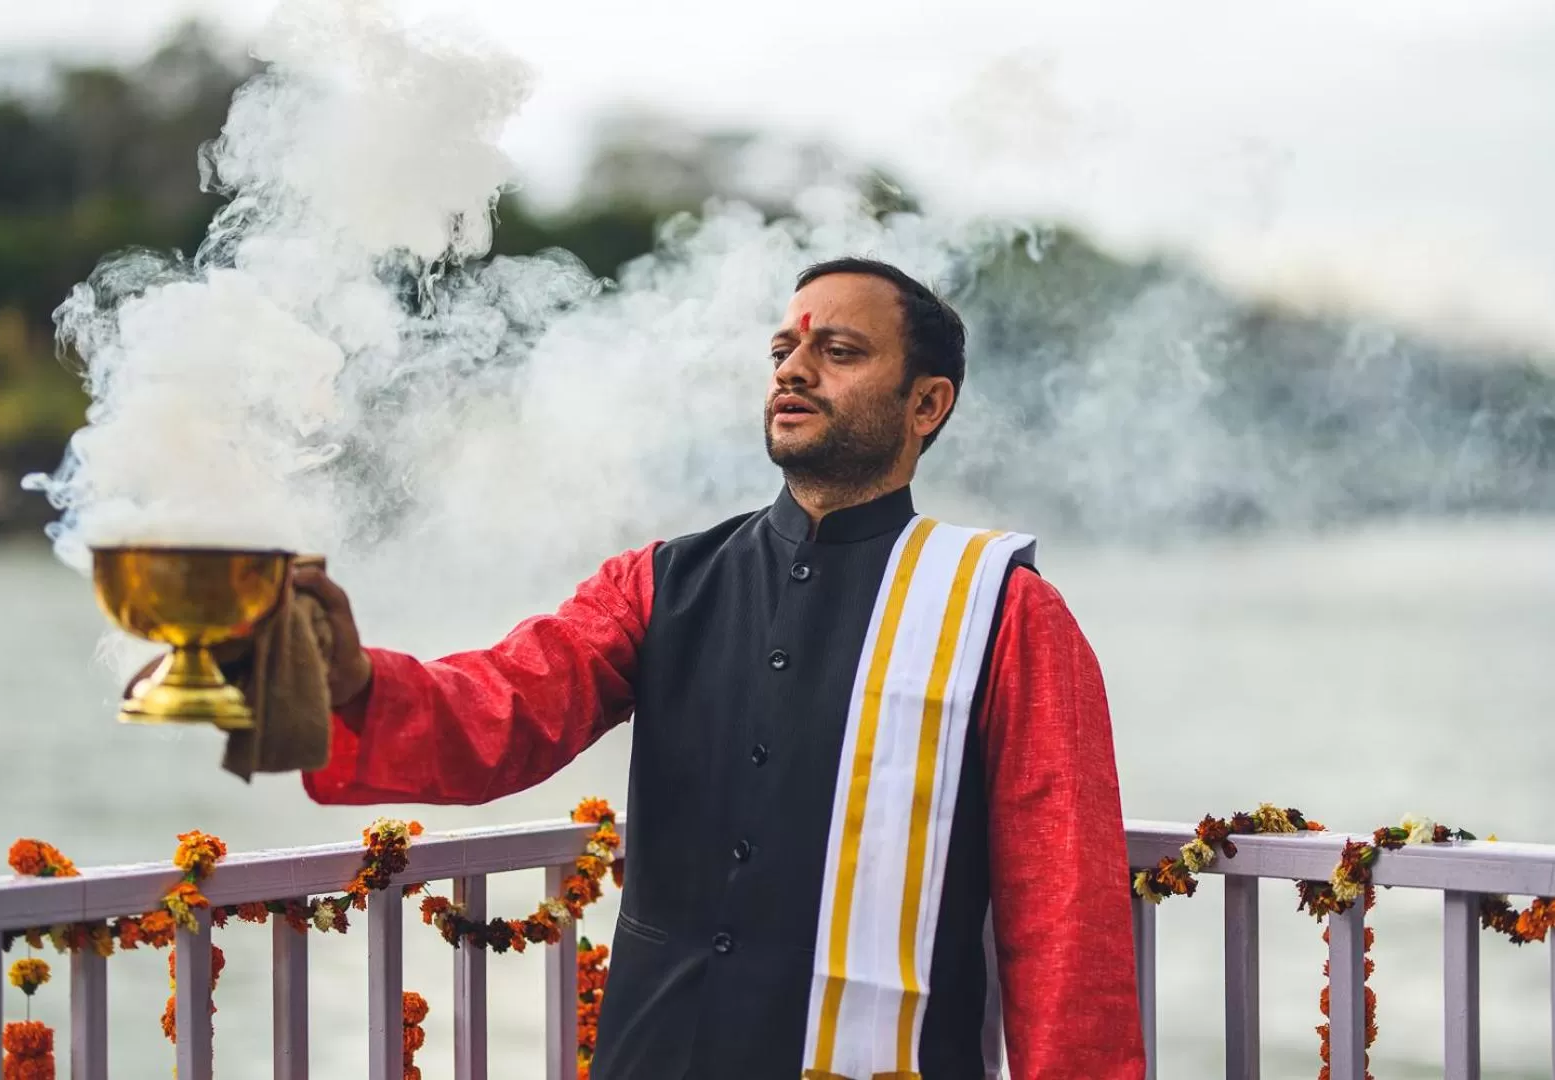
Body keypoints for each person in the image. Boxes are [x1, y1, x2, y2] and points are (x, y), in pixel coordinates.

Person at [296, 258, 1146, 1080]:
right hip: (656, 1050)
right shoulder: (659, 582)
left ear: (926, 403)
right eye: (783, 352)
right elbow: (500, 711)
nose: (795, 371)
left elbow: (1065, 909)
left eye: (838, 352)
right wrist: (349, 680)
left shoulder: (1005, 611)